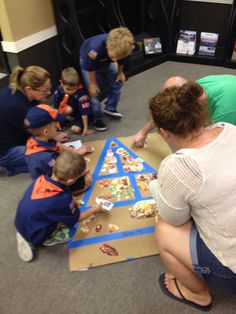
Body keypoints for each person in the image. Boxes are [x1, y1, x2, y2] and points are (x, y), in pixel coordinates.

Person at [148, 82, 236, 311]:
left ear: (164, 133)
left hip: (232, 270)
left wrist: (156, 187)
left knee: (165, 229)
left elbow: (175, 219)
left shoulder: (178, 166)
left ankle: (198, 294)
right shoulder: (230, 128)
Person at [15, 150, 107, 262]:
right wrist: (96, 209)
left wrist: (69, 200)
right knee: (71, 231)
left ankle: (23, 232)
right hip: (37, 235)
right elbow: (78, 218)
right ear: (71, 180)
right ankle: (40, 240)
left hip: (19, 222)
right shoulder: (63, 199)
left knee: (43, 212)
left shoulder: (41, 178)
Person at [133, 74, 236, 148]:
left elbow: (220, 145)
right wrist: (143, 132)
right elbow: (164, 112)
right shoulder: (191, 91)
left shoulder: (225, 112)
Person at [24, 104, 93, 195]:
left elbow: (55, 143)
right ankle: (68, 194)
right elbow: (61, 178)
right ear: (46, 132)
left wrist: (76, 151)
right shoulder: (47, 158)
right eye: (54, 126)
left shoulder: (35, 140)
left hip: (51, 173)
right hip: (51, 185)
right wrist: (82, 172)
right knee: (88, 179)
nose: (57, 127)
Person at [0, 65, 52, 176]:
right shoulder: (18, 106)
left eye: (49, 87)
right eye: (45, 90)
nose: (49, 92)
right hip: (5, 151)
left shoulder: (21, 90)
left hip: (14, 135)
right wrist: (54, 138)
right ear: (29, 89)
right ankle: (8, 168)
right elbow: (39, 135)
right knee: (47, 158)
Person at [80, 27, 134, 131]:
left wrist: (120, 73)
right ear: (108, 46)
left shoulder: (122, 49)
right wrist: (92, 84)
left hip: (106, 60)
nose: (116, 59)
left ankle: (110, 107)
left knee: (118, 82)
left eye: (119, 56)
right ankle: (97, 118)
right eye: (115, 55)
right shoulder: (94, 49)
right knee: (94, 93)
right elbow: (90, 67)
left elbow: (122, 59)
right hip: (89, 62)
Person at [53, 67, 94, 136]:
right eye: (68, 89)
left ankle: (70, 121)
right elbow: (56, 106)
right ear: (61, 83)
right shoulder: (60, 89)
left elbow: (84, 112)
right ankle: (66, 120)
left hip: (81, 115)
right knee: (53, 123)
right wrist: (56, 121)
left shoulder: (82, 94)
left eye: (74, 89)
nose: (71, 92)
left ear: (77, 85)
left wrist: (86, 128)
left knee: (75, 129)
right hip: (70, 110)